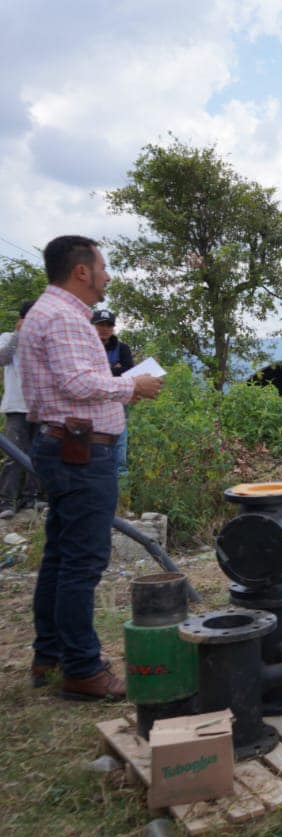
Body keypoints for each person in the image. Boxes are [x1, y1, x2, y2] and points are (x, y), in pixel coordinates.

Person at [19, 236, 163, 700]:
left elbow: (74, 381)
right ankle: (82, 668)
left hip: (66, 446)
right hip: (80, 452)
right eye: (102, 266)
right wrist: (131, 385)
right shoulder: (62, 317)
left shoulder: (51, 313)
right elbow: (78, 382)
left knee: (61, 557)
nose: (106, 275)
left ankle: (51, 654)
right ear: (81, 270)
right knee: (82, 562)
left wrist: (121, 386)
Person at [0, 301, 40, 519]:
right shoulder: (8, 338)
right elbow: (2, 358)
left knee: (39, 455)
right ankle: (6, 501)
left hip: (41, 408)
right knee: (14, 454)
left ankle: (31, 498)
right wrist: (18, 335)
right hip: (16, 407)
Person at [91, 308, 134, 479]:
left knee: (119, 444)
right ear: (93, 326)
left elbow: (129, 374)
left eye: (109, 325)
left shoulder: (122, 348)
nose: (105, 328)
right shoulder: (86, 348)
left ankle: (121, 490)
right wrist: (114, 371)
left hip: (118, 404)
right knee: (92, 445)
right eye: (101, 324)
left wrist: (104, 374)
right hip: (91, 405)